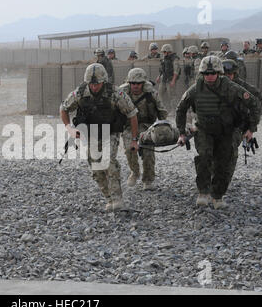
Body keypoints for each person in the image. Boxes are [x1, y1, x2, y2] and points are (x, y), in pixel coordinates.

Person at [176, 56, 260, 209]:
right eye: (206, 74)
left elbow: (253, 102)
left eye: (212, 73)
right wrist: (181, 133)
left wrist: (251, 129)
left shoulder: (230, 87)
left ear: (219, 73)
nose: (209, 76)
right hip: (204, 130)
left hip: (226, 131)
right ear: (202, 74)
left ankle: (217, 195)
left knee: (224, 162)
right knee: (204, 157)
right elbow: (180, 109)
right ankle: (203, 192)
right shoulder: (196, 89)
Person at [60, 63, 139, 212]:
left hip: (111, 131)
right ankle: (109, 198)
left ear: (104, 81)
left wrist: (134, 139)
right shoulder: (80, 93)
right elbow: (64, 108)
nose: (94, 87)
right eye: (91, 84)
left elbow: (132, 114)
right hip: (92, 133)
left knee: (108, 161)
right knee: (95, 167)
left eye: (97, 84)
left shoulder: (115, 93)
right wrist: (69, 128)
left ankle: (117, 199)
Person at [119, 68, 168, 190]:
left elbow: (162, 111)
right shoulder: (122, 94)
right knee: (129, 148)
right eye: (133, 83)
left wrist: (162, 128)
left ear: (143, 83)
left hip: (147, 126)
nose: (135, 86)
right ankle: (135, 172)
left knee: (148, 152)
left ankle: (148, 179)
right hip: (129, 126)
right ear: (129, 83)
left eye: (138, 83)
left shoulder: (151, 94)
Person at [222, 59, 262, 187]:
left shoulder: (243, 88)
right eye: (224, 74)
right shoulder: (216, 86)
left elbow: (257, 102)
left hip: (236, 127)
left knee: (230, 151)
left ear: (235, 74)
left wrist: (251, 128)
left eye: (230, 74)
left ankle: (223, 182)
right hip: (219, 125)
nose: (227, 77)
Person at [156, 44, 181, 110]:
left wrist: (173, 80)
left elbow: (176, 71)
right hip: (164, 79)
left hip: (170, 79)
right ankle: (163, 109)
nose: (163, 53)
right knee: (160, 94)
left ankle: (174, 110)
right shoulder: (164, 59)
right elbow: (162, 69)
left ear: (168, 51)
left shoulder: (174, 59)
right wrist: (159, 76)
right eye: (163, 52)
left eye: (164, 52)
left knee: (172, 96)